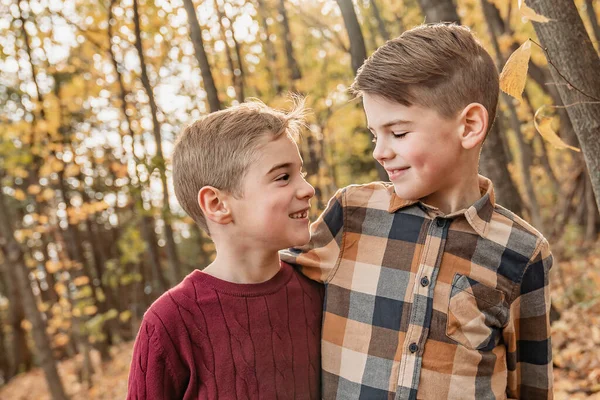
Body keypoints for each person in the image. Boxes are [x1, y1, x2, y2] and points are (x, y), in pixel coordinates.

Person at [281, 24, 553, 399]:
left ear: (469, 126)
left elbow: (532, 386)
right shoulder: (352, 214)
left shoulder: (523, 252)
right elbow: (263, 289)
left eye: (398, 133)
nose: (379, 151)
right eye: (375, 134)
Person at [127, 99, 323, 399]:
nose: (308, 189)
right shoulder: (169, 323)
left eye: (301, 173)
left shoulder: (318, 291)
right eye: (283, 177)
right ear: (217, 205)